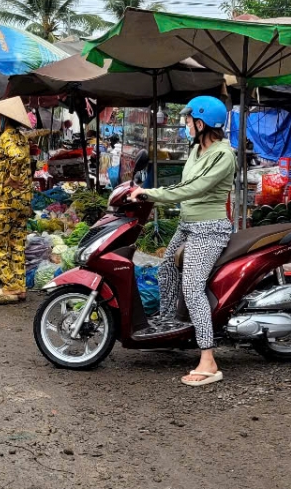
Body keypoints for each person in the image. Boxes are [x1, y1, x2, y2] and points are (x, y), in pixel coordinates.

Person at [129, 95, 235, 387]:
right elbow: (183, 184)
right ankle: (169, 328)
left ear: (201, 123)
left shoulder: (223, 155)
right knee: (165, 271)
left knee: (192, 287)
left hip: (210, 229)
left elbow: (194, 188)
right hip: (188, 225)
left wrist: (151, 193)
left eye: (188, 121)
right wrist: (147, 190)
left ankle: (208, 359)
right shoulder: (197, 150)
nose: (186, 125)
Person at [0, 97, 34, 305]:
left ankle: (10, 284)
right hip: (22, 201)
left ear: (4, 118)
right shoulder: (21, 137)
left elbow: (18, 158)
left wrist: (11, 177)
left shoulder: (7, 137)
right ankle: (19, 286)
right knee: (16, 243)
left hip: (8, 201)